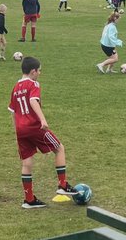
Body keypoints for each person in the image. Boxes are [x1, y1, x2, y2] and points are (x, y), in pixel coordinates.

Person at [10, 56, 76, 209]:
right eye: (39, 71)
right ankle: (63, 185)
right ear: (33, 71)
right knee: (59, 148)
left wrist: (17, 130)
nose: (40, 73)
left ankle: (29, 200)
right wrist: (43, 120)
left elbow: (13, 111)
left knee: (26, 163)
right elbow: (33, 100)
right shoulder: (33, 84)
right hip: (34, 126)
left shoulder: (15, 88)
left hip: (21, 130)